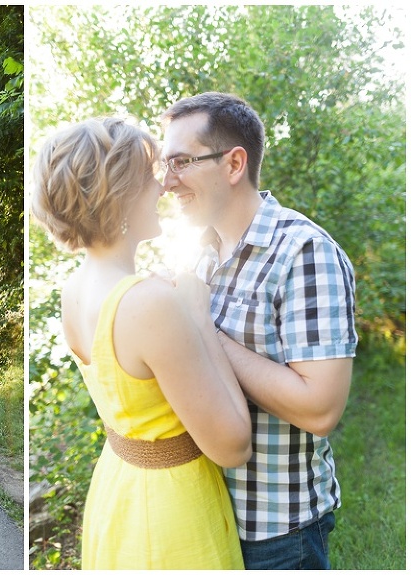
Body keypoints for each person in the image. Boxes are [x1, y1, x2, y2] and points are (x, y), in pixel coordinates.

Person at [31, 117, 252, 569]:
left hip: (119, 490)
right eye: (150, 175)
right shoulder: (147, 303)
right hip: (170, 512)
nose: (164, 186)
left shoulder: (73, 291)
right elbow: (233, 447)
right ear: (119, 193)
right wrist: (198, 316)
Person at [160, 91, 358, 569]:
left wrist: (204, 330)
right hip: (205, 519)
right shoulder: (200, 254)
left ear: (234, 164)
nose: (167, 182)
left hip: (277, 533)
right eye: (164, 165)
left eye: (181, 162)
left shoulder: (304, 252)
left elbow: (320, 408)